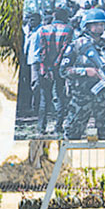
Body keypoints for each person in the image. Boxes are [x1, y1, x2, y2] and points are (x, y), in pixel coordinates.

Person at [60, 8, 105, 140]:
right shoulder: (77, 45)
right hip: (82, 96)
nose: (99, 27)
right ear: (87, 26)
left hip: (104, 97)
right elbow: (63, 70)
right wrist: (85, 72)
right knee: (73, 132)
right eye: (96, 24)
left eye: (102, 24)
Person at [36, 7, 74, 135]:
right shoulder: (68, 30)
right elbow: (64, 51)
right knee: (59, 97)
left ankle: (41, 128)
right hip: (59, 69)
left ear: (54, 15)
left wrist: (46, 68)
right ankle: (58, 127)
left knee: (44, 99)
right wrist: (55, 67)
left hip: (45, 69)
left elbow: (42, 51)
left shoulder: (43, 29)